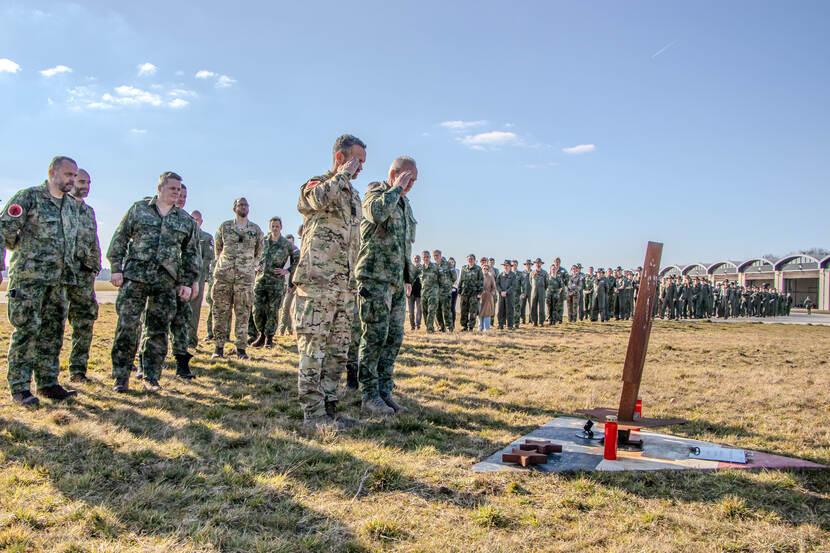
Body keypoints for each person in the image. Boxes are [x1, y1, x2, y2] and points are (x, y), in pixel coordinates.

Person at [293, 134, 364, 429]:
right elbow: (314, 200)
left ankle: (329, 408)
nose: (360, 168)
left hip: (344, 286)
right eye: (357, 161)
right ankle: (312, 414)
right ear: (341, 157)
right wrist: (342, 174)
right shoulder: (317, 184)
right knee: (314, 349)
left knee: (337, 350)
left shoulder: (353, 196)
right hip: (318, 283)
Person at [108, 171, 199, 392]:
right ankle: (121, 377)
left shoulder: (185, 220)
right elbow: (120, 237)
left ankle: (151, 376)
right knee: (127, 326)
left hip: (165, 282)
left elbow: (191, 254)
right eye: (172, 188)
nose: (176, 193)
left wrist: (187, 282)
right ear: (160, 189)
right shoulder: (139, 210)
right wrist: (115, 268)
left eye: (179, 189)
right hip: (135, 277)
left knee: (157, 330)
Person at [2, 156, 81, 406]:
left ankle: (48, 382)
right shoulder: (29, 198)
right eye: (68, 175)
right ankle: (20, 387)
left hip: (58, 282)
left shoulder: (71, 205)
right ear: (52, 172)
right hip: (29, 279)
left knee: (53, 332)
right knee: (27, 330)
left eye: (74, 176)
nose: (72, 180)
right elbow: (4, 229)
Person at [356, 156, 417, 416]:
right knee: (374, 338)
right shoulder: (376, 193)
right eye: (407, 178)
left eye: (414, 180)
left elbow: (404, 244)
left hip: (395, 282)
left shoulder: (405, 204)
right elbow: (377, 214)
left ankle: (384, 391)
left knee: (393, 339)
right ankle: (369, 395)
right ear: (394, 173)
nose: (411, 184)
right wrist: (395, 189)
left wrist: (406, 277)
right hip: (374, 279)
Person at [138, 183, 200, 380]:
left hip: (181, 282)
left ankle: (182, 363)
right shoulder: (154, 215)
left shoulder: (187, 222)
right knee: (151, 321)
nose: (180, 198)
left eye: (184, 195)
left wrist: (193, 282)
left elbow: (193, 255)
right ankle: (143, 362)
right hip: (157, 279)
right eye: (177, 193)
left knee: (182, 321)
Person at [211, 198, 263, 359]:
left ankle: (241, 349)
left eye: (246, 205)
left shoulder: (255, 230)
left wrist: (250, 265)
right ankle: (218, 348)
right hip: (224, 277)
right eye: (240, 205)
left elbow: (259, 252)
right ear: (235, 208)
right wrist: (224, 264)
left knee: (243, 313)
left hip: (244, 279)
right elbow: (218, 249)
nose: (243, 207)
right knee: (220, 312)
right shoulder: (225, 227)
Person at [66, 168, 102, 383]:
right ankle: (46, 375)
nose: (85, 186)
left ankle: (78, 370)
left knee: (85, 320)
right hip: (61, 273)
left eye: (88, 183)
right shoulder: (61, 206)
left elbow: (94, 241)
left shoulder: (89, 211)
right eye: (81, 182)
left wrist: (96, 265)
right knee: (52, 322)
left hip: (84, 276)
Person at [251, 216, 298, 348]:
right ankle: (261, 334)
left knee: (272, 311)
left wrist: (287, 270)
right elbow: (252, 253)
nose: (275, 228)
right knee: (258, 309)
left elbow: (298, 256)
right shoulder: (263, 242)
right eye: (273, 226)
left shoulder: (286, 244)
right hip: (261, 281)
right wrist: (256, 265)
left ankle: (269, 338)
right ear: (270, 227)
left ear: (281, 227)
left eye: (277, 226)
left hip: (276, 282)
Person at [189, 210, 214, 348]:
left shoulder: (205, 237)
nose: (194, 222)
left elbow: (208, 259)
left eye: (197, 220)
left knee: (194, 310)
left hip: (198, 277)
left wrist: (196, 271)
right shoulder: (183, 234)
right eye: (192, 219)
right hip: (182, 277)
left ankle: (191, 340)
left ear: (201, 222)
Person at [278, 231, 301, 336]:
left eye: (291, 243)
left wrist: (291, 285)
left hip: (292, 284)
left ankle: (281, 331)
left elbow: (295, 270)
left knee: (286, 306)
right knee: (284, 307)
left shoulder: (296, 253)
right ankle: (290, 329)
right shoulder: (282, 253)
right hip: (282, 283)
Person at [457, 254, 483, 331]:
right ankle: (464, 326)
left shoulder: (478, 269)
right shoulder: (464, 268)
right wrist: (459, 291)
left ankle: (471, 327)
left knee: (473, 311)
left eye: (472, 259)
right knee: (463, 310)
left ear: (474, 260)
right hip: (464, 292)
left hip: (474, 293)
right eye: (469, 259)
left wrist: (480, 292)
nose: (470, 260)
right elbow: (460, 280)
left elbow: (481, 281)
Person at [421, 250, 440, 333]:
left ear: (430, 257)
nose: (426, 258)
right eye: (424, 257)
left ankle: (430, 329)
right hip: (424, 292)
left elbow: (442, 278)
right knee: (424, 311)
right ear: (422, 258)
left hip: (433, 292)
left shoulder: (435, 267)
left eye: (427, 257)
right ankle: (428, 326)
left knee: (431, 310)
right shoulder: (420, 268)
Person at [495, 259, 517, 329]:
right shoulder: (500, 275)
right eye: (504, 265)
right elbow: (497, 284)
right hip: (501, 295)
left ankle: (510, 325)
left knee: (510, 310)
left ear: (510, 266)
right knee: (501, 310)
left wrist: (506, 292)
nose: (506, 267)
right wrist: (501, 291)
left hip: (509, 296)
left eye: (507, 265)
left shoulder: (513, 275)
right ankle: (500, 324)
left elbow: (513, 286)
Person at [528, 258, 547, 325]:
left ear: (541, 264)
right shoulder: (532, 273)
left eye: (539, 263)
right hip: (534, 290)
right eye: (537, 263)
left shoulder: (544, 273)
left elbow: (546, 283)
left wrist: (543, 289)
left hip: (542, 290)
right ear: (535, 264)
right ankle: (534, 321)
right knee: (533, 306)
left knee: (541, 307)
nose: (538, 264)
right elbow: (530, 282)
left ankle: (541, 322)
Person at [407, 254, 423, 331]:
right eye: (415, 258)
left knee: (419, 310)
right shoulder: (410, 267)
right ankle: (412, 325)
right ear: (414, 260)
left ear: (420, 259)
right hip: (410, 292)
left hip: (419, 292)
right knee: (411, 311)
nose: (416, 259)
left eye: (418, 258)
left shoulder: (423, 268)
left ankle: (418, 325)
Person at [479, 264, 496, 331]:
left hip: (488, 297)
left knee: (487, 313)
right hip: (480, 297)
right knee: (480, 312)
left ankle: (487, 328)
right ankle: (480, 327)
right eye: (484, 268)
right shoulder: (479, 277)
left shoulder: (491, 277)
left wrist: (491, 294)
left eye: (487, 269)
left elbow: (494, 288)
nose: (485, 270)